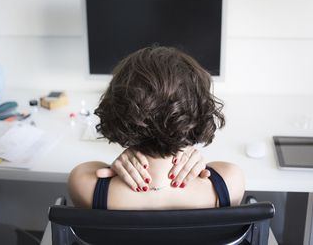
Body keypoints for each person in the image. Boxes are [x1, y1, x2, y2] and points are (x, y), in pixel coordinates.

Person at [69, 46, 244, 210]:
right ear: (197, 110)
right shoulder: (228, 184)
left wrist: (120, 161)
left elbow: (84, 170)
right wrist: (186, 146)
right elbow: (222, 170)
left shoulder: (86, 186)